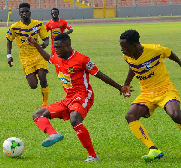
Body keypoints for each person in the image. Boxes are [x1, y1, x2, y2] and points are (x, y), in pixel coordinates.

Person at [27, 33, 124, 162]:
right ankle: (54, 134)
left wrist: (119, 87)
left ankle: (93, 155)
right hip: (68, 98)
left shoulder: (82, 59)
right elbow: (49, 58)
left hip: (83, 95)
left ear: (68, 45)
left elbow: (99, 74)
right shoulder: (57, 57)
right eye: (55, 47)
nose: (56, 50)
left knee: (75, 119)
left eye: (59, 47)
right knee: (38, 114)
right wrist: (36, 45)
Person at [119, 29, 181, 162]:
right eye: (121, 47)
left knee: (175, 115)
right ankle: (153, 149)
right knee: (130, 116)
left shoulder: (155, 49)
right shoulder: (128, 56)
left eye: (124, 47)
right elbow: (133, 66)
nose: (122, 50)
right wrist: (126, 84)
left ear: (135, 45)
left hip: (165, 90)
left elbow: (169, 53)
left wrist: (179, 62)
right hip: (147, 93)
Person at [6, 3, 50, 107]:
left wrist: (45, 44)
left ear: (30, 12)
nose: (24, 14)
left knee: (43, 77)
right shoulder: (14, 27)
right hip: (26, 59)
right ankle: (34, 72)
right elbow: (9, 40)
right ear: (19, 14)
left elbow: (46, 38)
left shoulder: (38, 24)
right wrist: (9, 55)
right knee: (33, 85)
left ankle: (45, 103)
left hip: (39, 56)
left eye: (26, 11)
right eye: (22, 12)